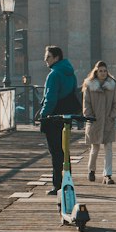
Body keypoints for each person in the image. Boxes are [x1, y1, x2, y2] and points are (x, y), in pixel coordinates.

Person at [38, 46, 79, 194]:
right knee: (64, 150)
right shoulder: (71, 74)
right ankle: (68, 181)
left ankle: (58, 185)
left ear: (56, 58)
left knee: (55, 152)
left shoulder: (54, 75)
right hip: (66, 116)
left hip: (53, 116)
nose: (45, 60)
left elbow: (50, 98)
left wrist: (43, 115)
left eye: (48, 57)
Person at [82, 60, 116, 184]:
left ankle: (107, 174)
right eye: (100, 71)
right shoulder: (89, 85)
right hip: (94, 121)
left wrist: (112, 115)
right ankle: (91, 170)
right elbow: (86, 103)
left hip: (108, 121)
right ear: (96, 72)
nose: (103, 73)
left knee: (108, 148)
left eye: (105, 71)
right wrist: (89, 116)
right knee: (95, 148)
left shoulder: (112, 85)